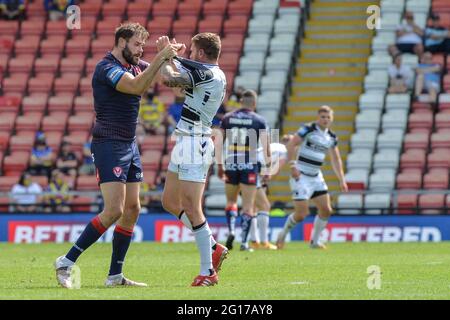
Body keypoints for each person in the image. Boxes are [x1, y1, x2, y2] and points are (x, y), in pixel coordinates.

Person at [54, 22, 179, 289]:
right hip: (108, 142)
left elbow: (170, 80)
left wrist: (171, 57)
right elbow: (135, 87)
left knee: (133, 209)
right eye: (136, 44)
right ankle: (66, 260)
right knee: (114, 210)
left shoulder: (137, 65)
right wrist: (159, 58)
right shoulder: (106, 67)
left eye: (143, 45)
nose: (140, 49)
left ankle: (114, 276)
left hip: (129, 144)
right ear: (122, 42)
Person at [159, 33, 229, 286]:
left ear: (200, 53)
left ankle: (208, 271)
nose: (189, 55)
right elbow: (179, 82)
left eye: (192, 51)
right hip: (186, 139)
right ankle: (212, 246)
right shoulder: (211, 73)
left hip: (195, 142)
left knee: (191, 205)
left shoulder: (208, 72)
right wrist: (172, 57)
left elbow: (169, 80)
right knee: (169, 201)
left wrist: (166, 55)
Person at [276, 106, 348, 250]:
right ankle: (282, 234)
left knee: (326, 210)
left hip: (316, 176)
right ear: (317, 117)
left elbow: (336, 158)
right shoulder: (308, 129)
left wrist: (341, 179)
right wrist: (292, 165)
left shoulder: (332, 137)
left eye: (328, 117)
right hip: (300, 175)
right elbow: (291, 144)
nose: (325, 119)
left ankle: (314, 242)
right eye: (322, 116)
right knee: (302, 214)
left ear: (332, 119)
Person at [218, 89, 271, 252]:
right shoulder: (259, 120)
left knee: (231, 202)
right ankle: (244, 243)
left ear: (241, 102)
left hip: (231, 162)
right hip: (249, 164)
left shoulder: (228, 118)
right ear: (254, 104)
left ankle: (232, 230)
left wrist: (220, 165)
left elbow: (219, 142)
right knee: (248, 207)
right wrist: (267, 169)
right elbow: (266, 147)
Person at [249, 134, 291, 250]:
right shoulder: (285, 152)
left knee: (252, 208)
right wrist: (268, 178)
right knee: (265, 206)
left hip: (247, 165)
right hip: (253, 170)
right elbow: (276, 169)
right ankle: (263, 242)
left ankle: (254, 241)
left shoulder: (276, 146)